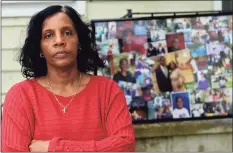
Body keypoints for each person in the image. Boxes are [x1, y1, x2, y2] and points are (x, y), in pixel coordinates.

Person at [1, 5, 135, 152]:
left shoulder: (107, 91)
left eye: (67, 32)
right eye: (48, 35)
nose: (59, 41)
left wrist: (54, 148)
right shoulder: (21, 96)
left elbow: (125, 146)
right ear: (40, 47)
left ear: (79, 42)